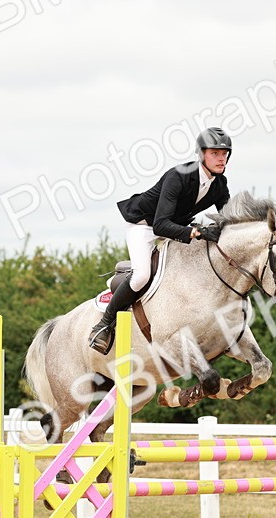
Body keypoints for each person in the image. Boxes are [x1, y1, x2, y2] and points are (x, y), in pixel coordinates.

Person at [88, 127, 233, 353]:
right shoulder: (180, 176)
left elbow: (228, 218)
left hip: (173, 226)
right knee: (141, 276)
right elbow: (160, 225)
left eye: (224, 153)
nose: (221, 158)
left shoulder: (220, 184)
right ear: (201, 154)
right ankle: (103, 325)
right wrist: (197, 232)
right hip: (144, 225)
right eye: (215, 153)